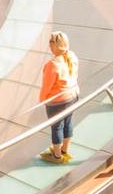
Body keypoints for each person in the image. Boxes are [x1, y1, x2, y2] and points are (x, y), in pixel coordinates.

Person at [39, 31, 79, 164]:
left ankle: (56, 156)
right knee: (67, 123)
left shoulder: (52, 65)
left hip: (58, 102)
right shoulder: (72, 56)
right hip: (73, 96)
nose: (49, 45)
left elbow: (47, 87)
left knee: (56, 127)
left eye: (51, 42)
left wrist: (42, 100)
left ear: (56, 45)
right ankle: (64, 150)